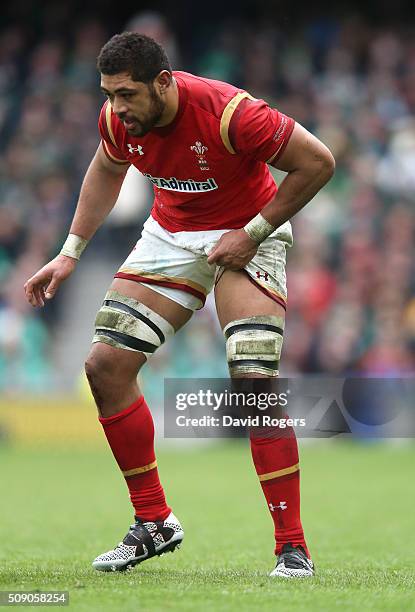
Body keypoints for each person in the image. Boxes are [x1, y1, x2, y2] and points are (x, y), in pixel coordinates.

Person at [24, 33, 335, 578]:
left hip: (248, 232)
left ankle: (293, 547)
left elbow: (318, 162)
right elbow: (105, 168)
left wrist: (255, 231)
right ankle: (154, 521)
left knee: (254, 378)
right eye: (108, 94)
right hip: (169, 236)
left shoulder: (231, 113)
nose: (116, 107)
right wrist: (70, 252)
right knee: (104, 366)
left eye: (126, 94)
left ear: (163, 83)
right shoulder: (117, 120)